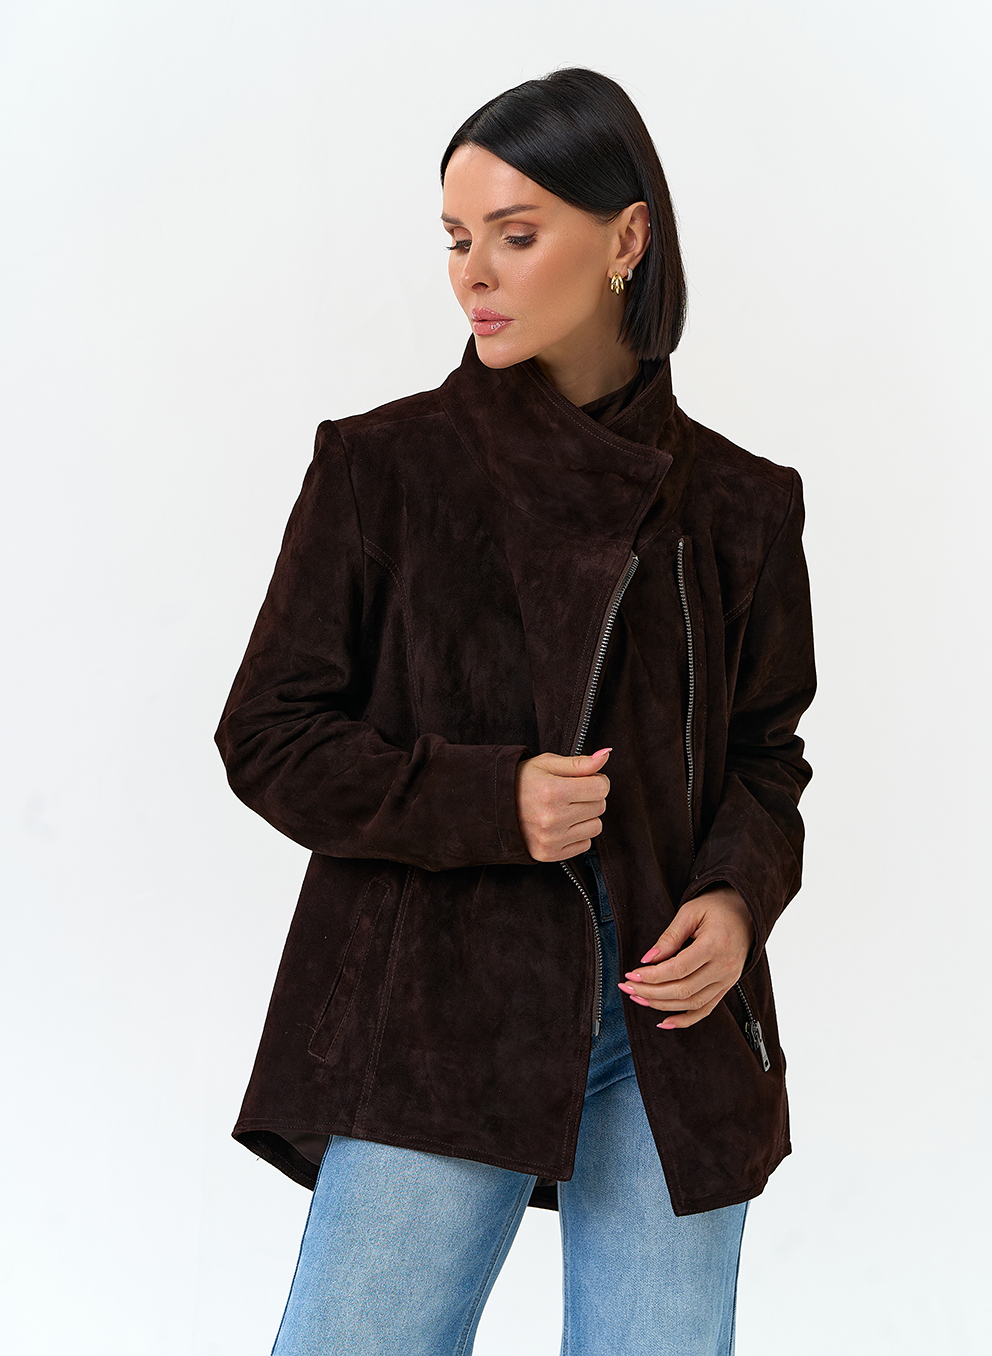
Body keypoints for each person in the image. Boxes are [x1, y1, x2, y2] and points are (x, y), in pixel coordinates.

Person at [215, 66, 816, 1356]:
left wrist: (735, 897)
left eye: (516, 233)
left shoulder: (743, 503)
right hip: (445, 1012)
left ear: (627, 238)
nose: (474, 274)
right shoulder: (384, 468)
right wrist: (492, 801)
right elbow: (267, 734)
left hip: (670, 1028)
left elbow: (769, 758)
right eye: (456, 238)